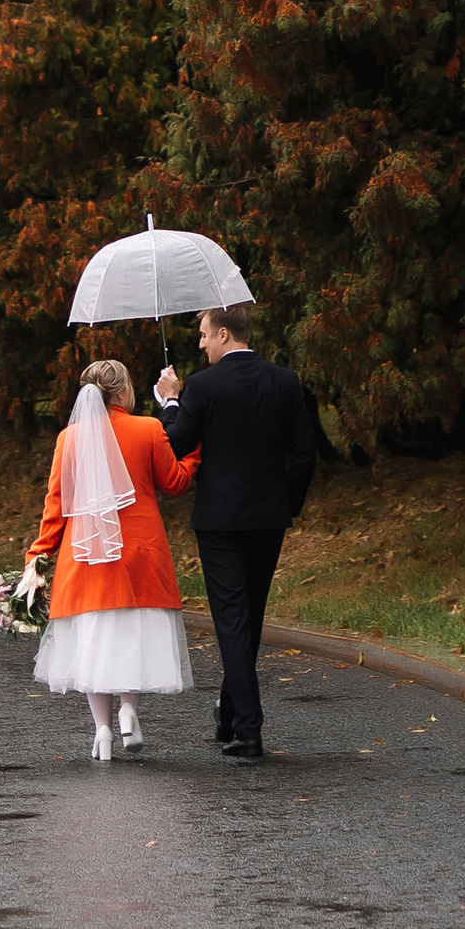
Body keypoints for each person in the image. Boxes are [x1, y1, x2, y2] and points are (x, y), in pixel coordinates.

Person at [154, 303, 314, 759]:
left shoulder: (203, 385)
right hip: (268, 517)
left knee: (232, 620)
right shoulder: (285, 381)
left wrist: (170, 402)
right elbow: (305, 454)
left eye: (205, 335)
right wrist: (287, 503)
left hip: (220, 521)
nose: (201, 343)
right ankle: (230, 713)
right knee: (250, 617)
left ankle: (248, 728)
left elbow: (176, 443)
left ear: (224, 334)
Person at [22, 356, 199, 761]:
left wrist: (38, 554)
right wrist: (194, 454)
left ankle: (102, 731)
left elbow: (56, 503)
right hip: (139, 553)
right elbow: (174, 482)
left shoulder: (69, 438)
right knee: (134, 635)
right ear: (121, 392)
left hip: (85, 556)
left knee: (93, 641)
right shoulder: (148, 428)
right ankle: (129, 711)